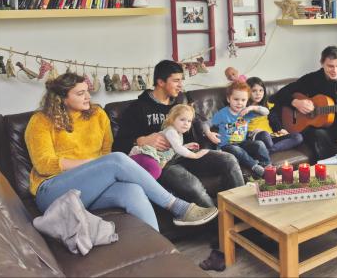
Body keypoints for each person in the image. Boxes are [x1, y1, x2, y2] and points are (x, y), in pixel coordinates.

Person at [24, 73, 217, 231]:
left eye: (88, 92)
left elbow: (106, 152)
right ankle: (178, 207)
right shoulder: (41, 121)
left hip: (90, 189)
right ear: (62, 99)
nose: (88, 97)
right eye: (80, 93)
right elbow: (45, 164)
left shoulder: (98, 115)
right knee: (116, 159)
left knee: (133, 190)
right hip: (52, 191)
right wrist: (96, 164)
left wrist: (101, 164)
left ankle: (160, 251)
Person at [115, 60, 244, 210]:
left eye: (181, 80)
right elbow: (118, 145)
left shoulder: (180, 102)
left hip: (186, 152)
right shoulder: (137, 108)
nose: (181, 85)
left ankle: (243, 213)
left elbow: (197, 120)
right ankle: (219, 225)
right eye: (176, 81)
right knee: (193, 187)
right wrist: (142, 140)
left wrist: (207, 131)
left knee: (229, 159)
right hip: (163, 163)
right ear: (161, 82)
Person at [271, 45, 337, 160]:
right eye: (330, 66)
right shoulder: (311, 79)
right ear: (322, 63)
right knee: (319, 135)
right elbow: (279, 95)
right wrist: (295, 102)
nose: (335, 70)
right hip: (316, 129)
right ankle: (329, 170)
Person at [203, 81, 271, 177]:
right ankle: (255, 167)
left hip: (242, 143)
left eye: (243, 100)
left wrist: (252, 107)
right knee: (236, 149)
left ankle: (268, 167)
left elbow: (266, 112)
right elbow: (206, 123)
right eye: (236, 99)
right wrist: (209, 133)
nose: (239, 103)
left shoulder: (246, 112)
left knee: (259, 144)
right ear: (228, 99)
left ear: (247, 100)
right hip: (226, 146)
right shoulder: (223, 113)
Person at [128, 104, 208, 179]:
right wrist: (195, 155)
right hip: (144, 155)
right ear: (172, 120)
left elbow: (174, 148)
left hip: (151, 158)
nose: (186, 123)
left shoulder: (179, 133)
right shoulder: (171, 131)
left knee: (155, 170)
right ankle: (142, 185)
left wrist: (186, 146)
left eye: (189, 121)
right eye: (182, 119)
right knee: (156, 170)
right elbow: (178, 148)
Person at [246, 77, 304, 153]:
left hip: (271, 136)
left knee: (298, 137)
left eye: (261, 90)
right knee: (264, 135)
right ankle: (267, 148)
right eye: (254, 91)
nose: (258, 93)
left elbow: (274, 119)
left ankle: (269, 150)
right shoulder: (245, 108)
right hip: (256, 137)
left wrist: (280, 129)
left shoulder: (268, 105)